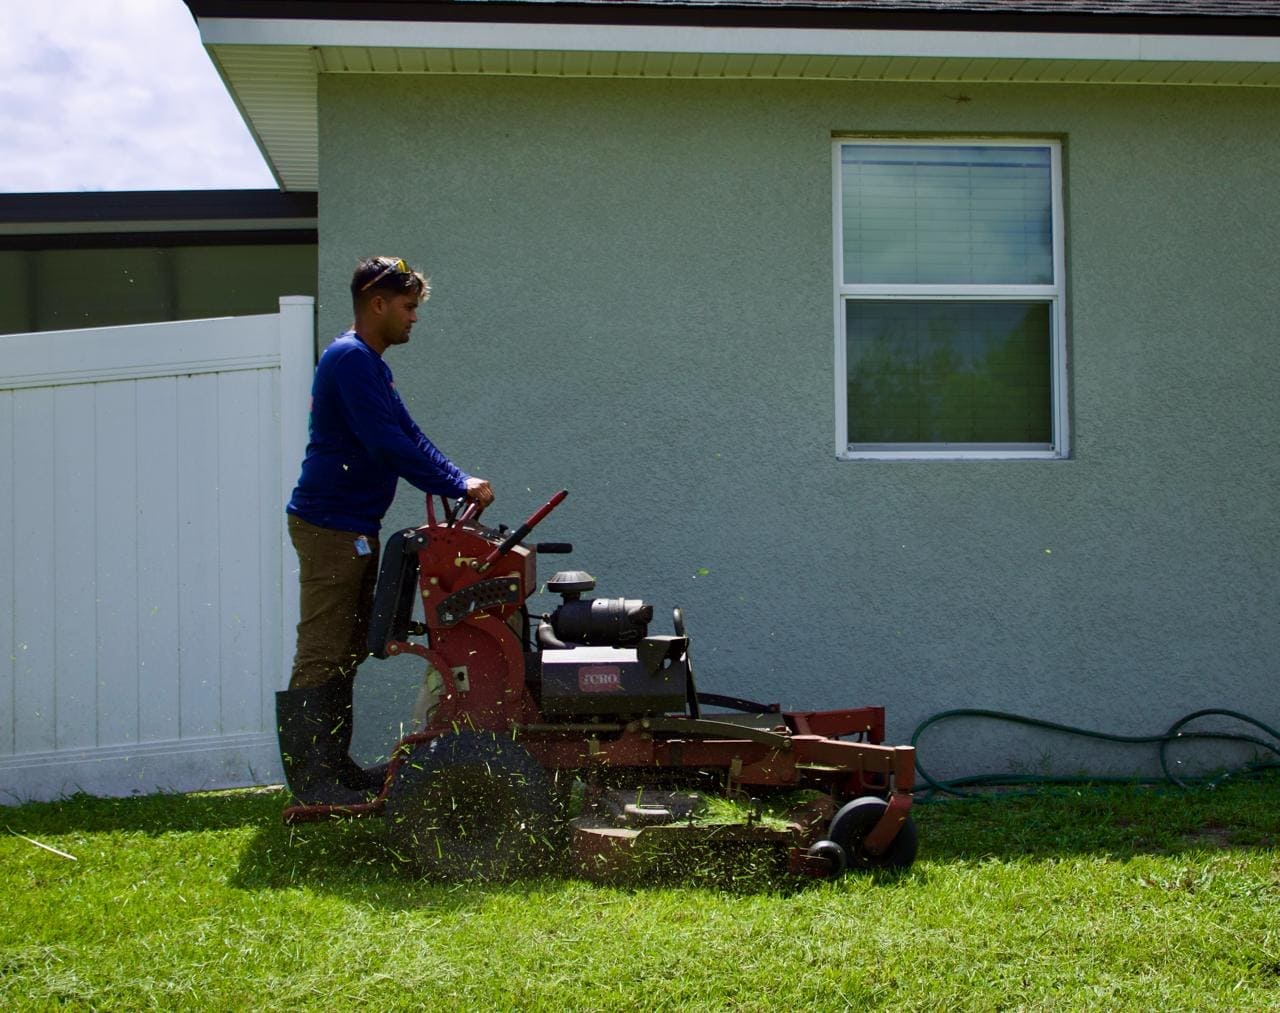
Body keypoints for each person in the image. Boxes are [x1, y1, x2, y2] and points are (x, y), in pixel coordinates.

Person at [277, 256, 494, 805]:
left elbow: (409, 434)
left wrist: (459, 479)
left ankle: (337, 771)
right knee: (324, 650)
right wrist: (456, 483)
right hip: (329, 527)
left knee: (348, 648)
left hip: (350, 526)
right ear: (378, 304)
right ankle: (314, 783)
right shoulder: (351, 359)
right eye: (408, 306)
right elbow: (386, 444)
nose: (414, 317)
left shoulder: (369, 364)